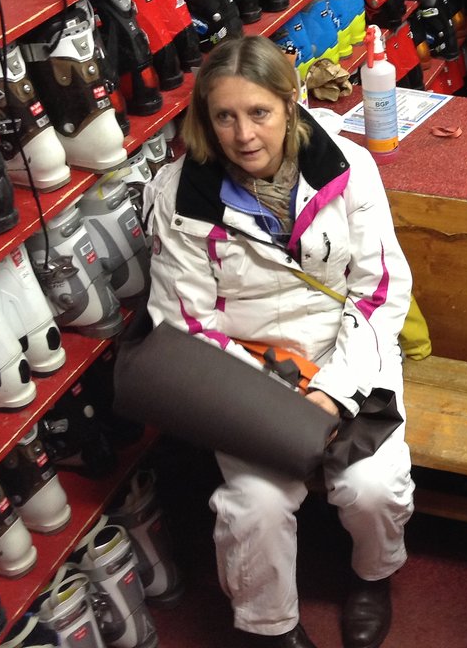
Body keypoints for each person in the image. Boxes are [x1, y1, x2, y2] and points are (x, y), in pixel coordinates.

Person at [144, 35, 414, 648]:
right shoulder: (178, 195)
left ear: (290, 104)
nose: (244, 135)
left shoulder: (348, 167)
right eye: (225, 116)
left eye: (259, 112)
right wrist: (274, 397)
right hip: (246, 375)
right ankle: (271, 628)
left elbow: (379, 292)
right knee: (255, 506)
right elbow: (183, 324)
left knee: (372, 488)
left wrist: (335, 392)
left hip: (346, 351)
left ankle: (372, 576)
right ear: (206, 119)